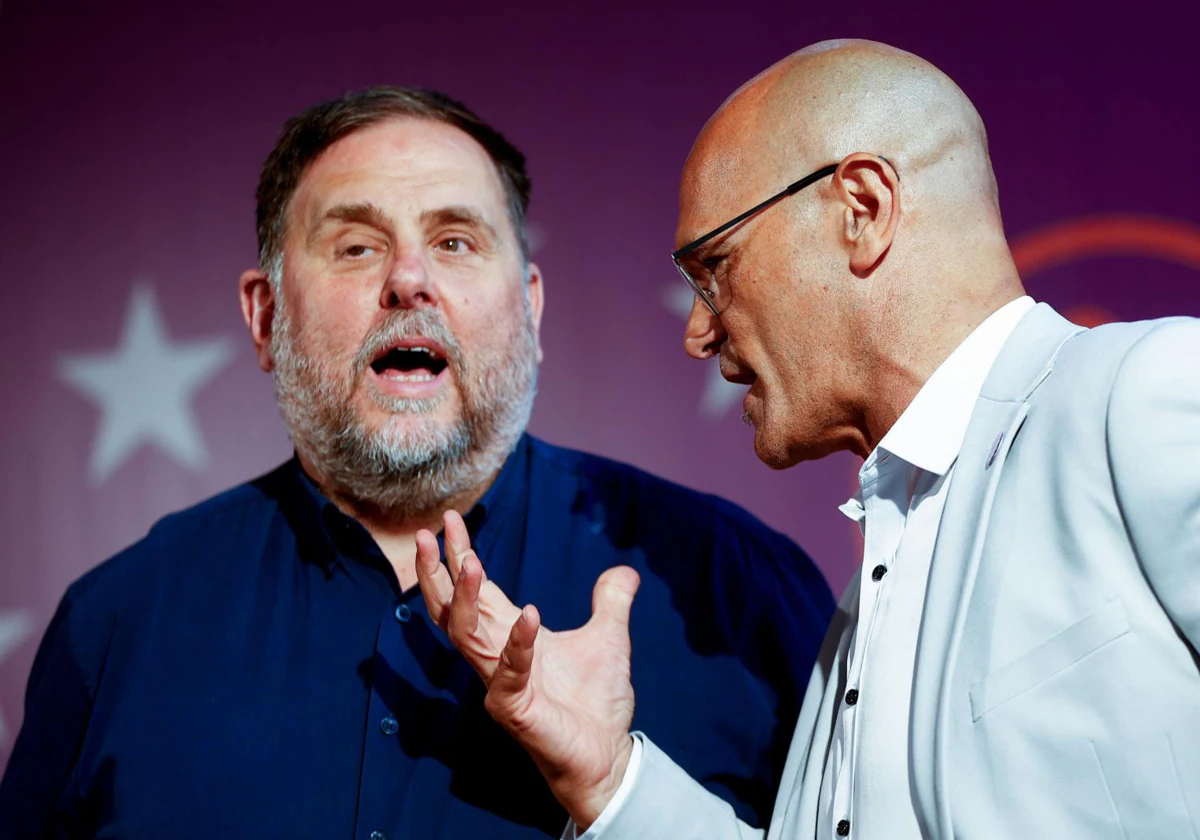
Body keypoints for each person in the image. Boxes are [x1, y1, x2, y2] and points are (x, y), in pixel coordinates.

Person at [413, 40, 1200, 839]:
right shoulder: (868, 594)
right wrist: (611, 781)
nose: (695, 330)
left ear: (861, 208)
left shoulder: (1150, 395)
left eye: (714, 266)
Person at [0, 87, 835, 839]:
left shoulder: (737, 591)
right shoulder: (114, 626)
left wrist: (619, 789)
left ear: (532, 307)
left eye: (457, 241)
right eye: (357, 247)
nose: (409, 280)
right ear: (264, 319)